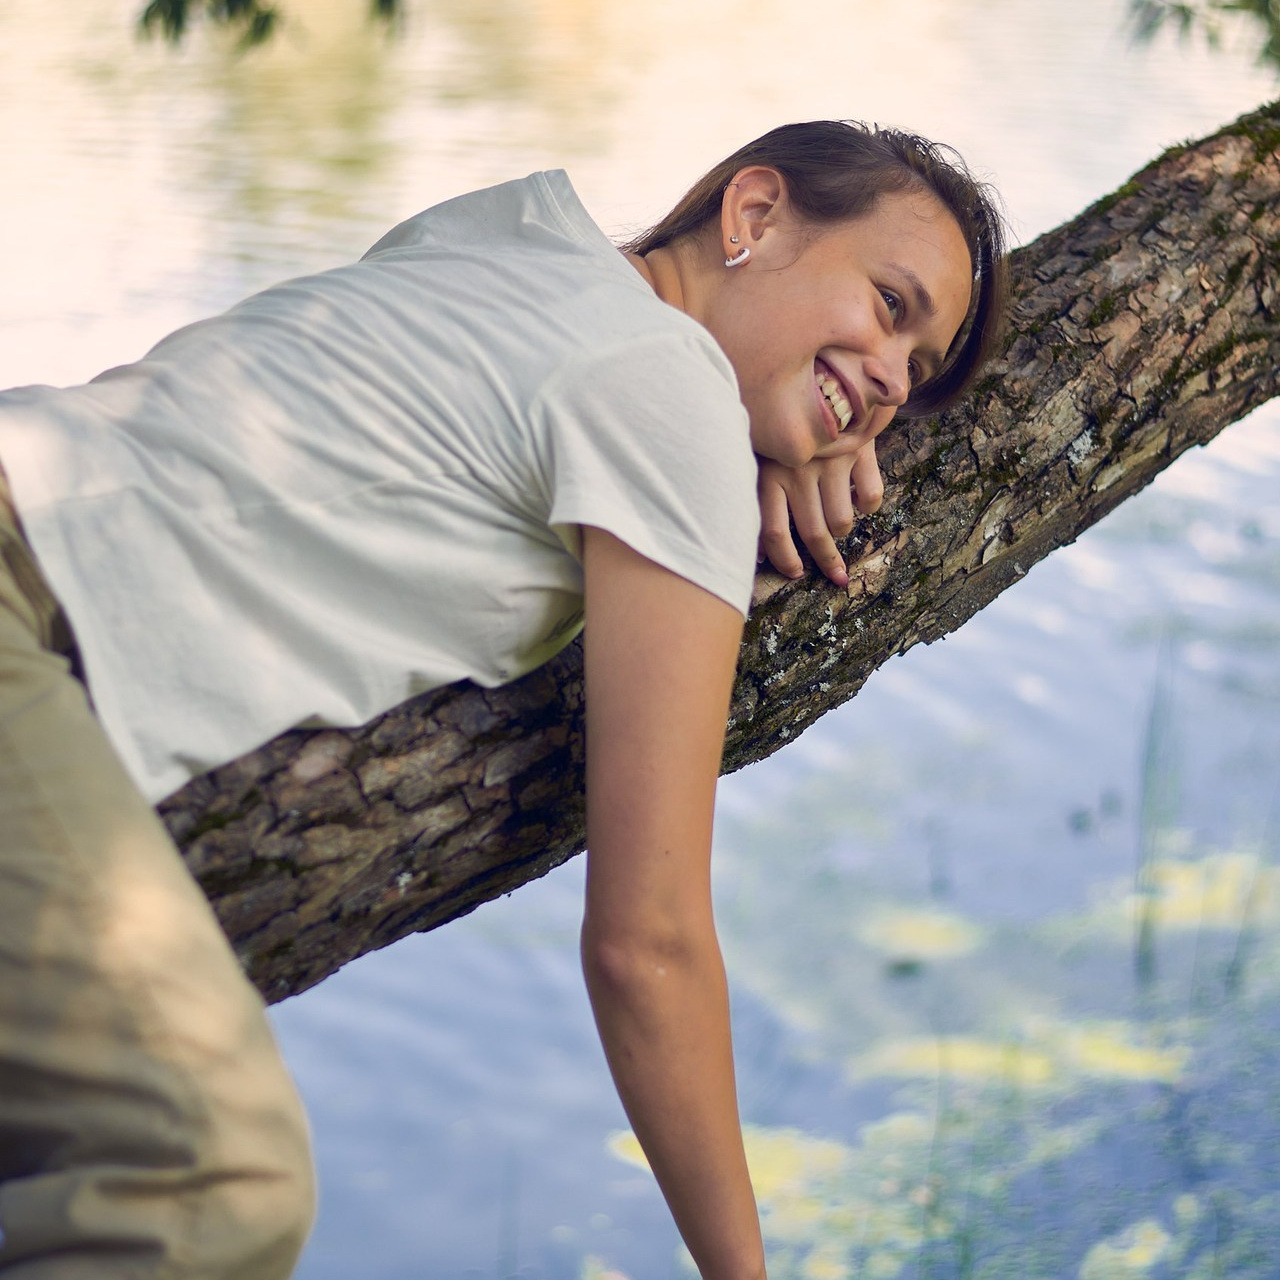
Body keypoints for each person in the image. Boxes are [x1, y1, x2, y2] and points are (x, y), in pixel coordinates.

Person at [0, 120, 1006, 1279]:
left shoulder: (513, 232)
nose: (890, 381)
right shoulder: (665, 398)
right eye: (889, 304)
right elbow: (647, 942)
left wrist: (778, 405)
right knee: (207, 1178)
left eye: (917, 372)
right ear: (755, 215)